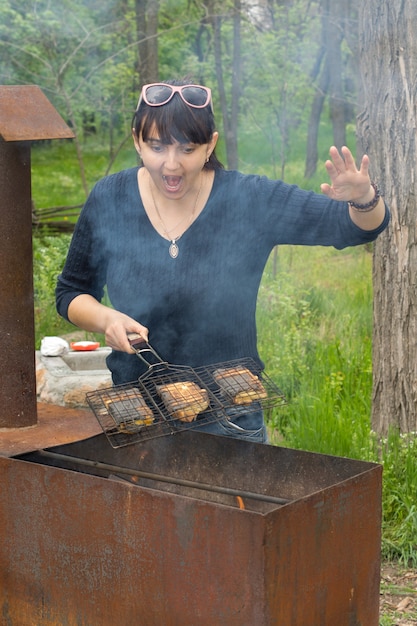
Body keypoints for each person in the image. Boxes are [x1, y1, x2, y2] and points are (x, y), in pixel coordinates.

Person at [56, 80, 390, 443]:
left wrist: (364, 199)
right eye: (157, 147)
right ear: (137, 139)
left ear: (210, 144)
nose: (172, 165)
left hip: (232, 415)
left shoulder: (249, 198)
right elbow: (71, 292)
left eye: (187, 148)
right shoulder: (110, 198)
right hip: (138, 410)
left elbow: (353, 228)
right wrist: (106, 317)